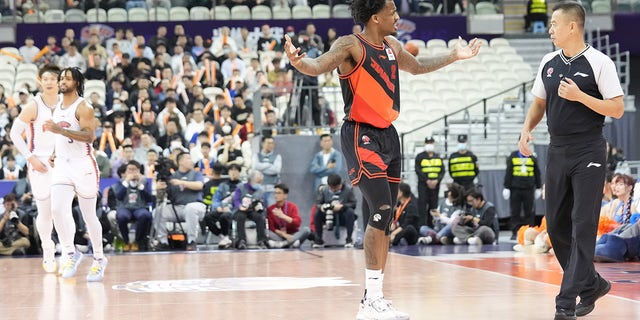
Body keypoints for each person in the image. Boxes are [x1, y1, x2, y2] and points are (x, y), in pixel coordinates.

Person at [284, 1, 480, 317]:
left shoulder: (392, 45)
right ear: (376, 17)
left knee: (384, 218)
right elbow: (319, 64)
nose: (398, 17)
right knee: (382, 208)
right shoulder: (351, 45)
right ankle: (371, 301)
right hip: (360, 133)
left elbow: (417, 66)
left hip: (389, 135)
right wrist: (299, 63)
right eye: (392, 12)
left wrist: (454, 57)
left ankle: (373, 298)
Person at [518, 2, 624, 319]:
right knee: (558, 226)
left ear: (572, 27)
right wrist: (525, 130)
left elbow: (616, 109)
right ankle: (591, 285)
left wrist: (580, 96)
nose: (550, 29)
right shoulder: (548, 63)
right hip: (557, 150)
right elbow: (539, 104)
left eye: (554, 24)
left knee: (583, 224)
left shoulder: (599, 62)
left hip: (589, 148)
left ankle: (565, 303)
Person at [44, 67, 107, 282]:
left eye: (67, 78)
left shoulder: (84, 107)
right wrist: (54, 152)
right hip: (62, 165)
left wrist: (59, 131)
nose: (62, 81)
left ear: (77, 83)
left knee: (89, 215)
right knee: (57, 209)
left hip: (83, 165)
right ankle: (71, 253)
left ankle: (99, 259)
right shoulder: (57, 107)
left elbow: (89, 137)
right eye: (61, 78)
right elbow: (59, 137)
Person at [9, 64, 62, 272]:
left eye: (53, 78)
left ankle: (67, 252)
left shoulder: (66, 104)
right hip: (39, 163)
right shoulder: (33, 105)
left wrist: (62, 155)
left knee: (63, 210)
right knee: (46, 211)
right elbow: (14, 134)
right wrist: (31, 158)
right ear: (40, 81)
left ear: (59, 81)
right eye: (45, 78)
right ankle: (48, 250)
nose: (49, 82)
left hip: (61, 162)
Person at [153, 151, 206, 251]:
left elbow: (199, 185)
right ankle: (163, 241)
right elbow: (162, 196)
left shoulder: (196, 173)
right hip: (177, 207)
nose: (191, 161)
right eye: (188, 158)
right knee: (158, 211)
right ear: (180, 161)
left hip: (196, 205)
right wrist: (160, 188)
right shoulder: (172, 176)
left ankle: (192, 241)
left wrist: (181, 182)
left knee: (190, 208)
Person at [503, 146, 542, 240]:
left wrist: (538, 187)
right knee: (515, 211)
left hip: (528, 188)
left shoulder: (532, 157)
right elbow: (509, 171)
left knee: (529, 212)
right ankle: (514, 232)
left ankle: (529, 232)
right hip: (515, 188)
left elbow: (537, 172)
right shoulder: (513, 155)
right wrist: (506, 187)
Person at [113, 160, 153, 252]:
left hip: (139, 207)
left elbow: (149, 199)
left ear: (139, 171)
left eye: (135, 170)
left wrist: (140, 186)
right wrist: (126, 182)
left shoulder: (144, 181)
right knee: (121, 216)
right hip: (125, 207)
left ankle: (137, 241)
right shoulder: (121, 182)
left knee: (145, 215)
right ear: (126, 171)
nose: (132, 172)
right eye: (129, 170)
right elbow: (118, 196)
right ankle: (126, 241)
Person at [313, 174, 358, 248]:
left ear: (341, 183)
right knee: (317, 213)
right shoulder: (324, 189)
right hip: (328, 216)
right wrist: (322, 207)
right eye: (331, 188)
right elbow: (318, 203)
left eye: (336, 188)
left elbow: (353, 204)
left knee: (350, 212)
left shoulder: (348, 189)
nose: (334, 190)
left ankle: (349, 239)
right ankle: (318, 239)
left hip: (342, 216)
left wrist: (342, 206)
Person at [266, 183, 311, 249]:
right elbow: (271, 227)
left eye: (279, 193)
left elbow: (297, 223)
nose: (276, 195)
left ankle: (284, 244)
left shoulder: (292, 207)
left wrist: (283, 216)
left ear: (285, 195)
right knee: (266, 232)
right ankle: (293, 243)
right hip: (279, 236)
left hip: (292, 235)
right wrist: (284, 235)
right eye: (275, 193)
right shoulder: (271, 209)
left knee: (306, 230)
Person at [414, 136, 445, 228]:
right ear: (425, 144)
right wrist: (427, 180)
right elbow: (418, 170)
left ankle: (432, 227)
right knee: (422, 207)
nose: (429, 144)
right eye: (428, 143)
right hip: (423, 186)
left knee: (433, 207)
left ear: (434, 144)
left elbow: (442, 171)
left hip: (435, 187)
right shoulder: (420, 157)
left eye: (431, 142)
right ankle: (422, 227)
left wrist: (437, 180)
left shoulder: (438, 157)